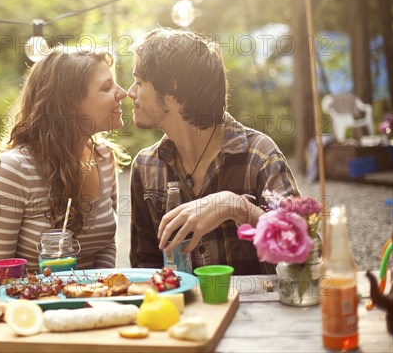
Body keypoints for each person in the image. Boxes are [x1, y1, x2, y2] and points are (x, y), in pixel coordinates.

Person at [128, 28, 299, 275]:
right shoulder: (145, 166)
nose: (130, 92)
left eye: (140, 82)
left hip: (257, 311)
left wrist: (236, 207)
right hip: (182, 312)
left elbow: (303, 246)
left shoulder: (258, 155)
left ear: (173, 89)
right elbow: (145, 266)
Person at [0, 46, 129, 281]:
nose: (123, 93)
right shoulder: (13, 171)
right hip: (33, 308)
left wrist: (97, 294)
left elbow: (105, 246)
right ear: (69, 103)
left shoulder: (104, 158)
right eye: (106, 87)